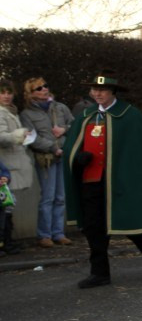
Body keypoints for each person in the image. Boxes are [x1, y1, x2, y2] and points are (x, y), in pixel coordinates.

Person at [62, 72, 142, 288]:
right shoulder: (86, 116)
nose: (97, 93)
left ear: (113, 92)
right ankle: (100, 273)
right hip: (92, 181)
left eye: (102, 90)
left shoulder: (130, 115)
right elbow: (72, 147)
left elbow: (141, 153)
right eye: (94, 90)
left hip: (121, 181)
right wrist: (78, 157)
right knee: (93, 228)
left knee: (128, 222)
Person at [20, 76, 74, 248]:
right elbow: (31, 138)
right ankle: (44, 235)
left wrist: (64, 129)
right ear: (31, 93)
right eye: (39, 88)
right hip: (46, 159)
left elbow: (76, 124)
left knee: (61, 197)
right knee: (48, 197)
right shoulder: (27, 114)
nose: (44, 89)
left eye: (45, 86)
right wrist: (52, 147)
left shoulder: (60, 107)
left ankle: (58, 233)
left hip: (63, 156)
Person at [0, 79, 33, 255]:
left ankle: (8, 241)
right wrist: (19, 135)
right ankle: (6, 242)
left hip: (11, 164)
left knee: (8, 205)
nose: (6, 96)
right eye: (3, 92)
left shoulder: (11, 111)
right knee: (5, 205)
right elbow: (2, 137)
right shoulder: (1, 113)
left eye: (9, 92)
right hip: (6, 166)